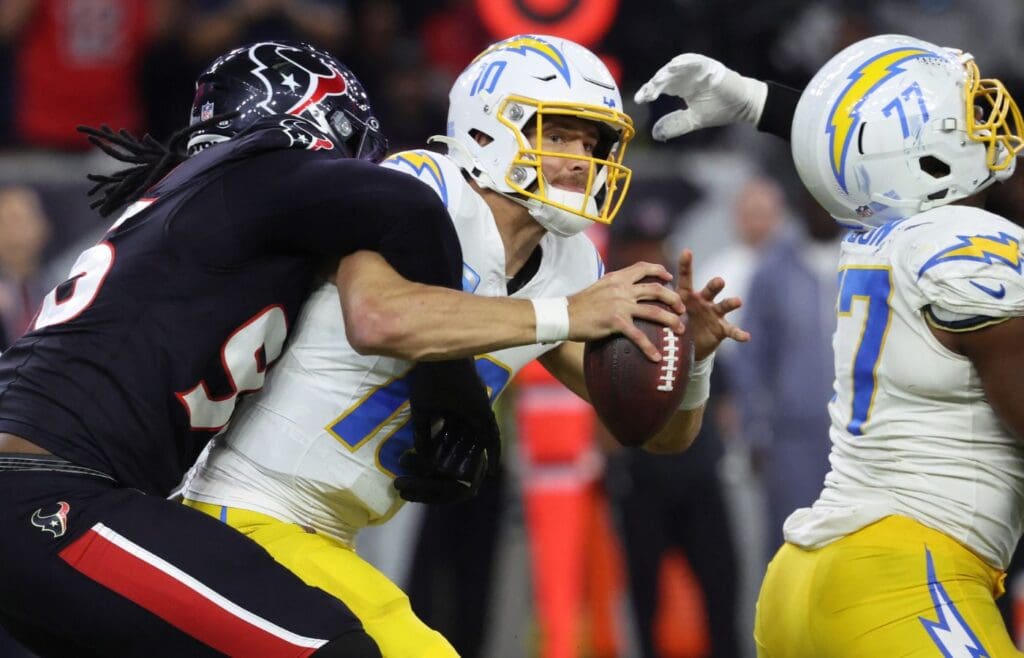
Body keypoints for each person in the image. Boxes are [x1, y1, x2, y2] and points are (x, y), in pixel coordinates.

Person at [0, 38, 646, 657]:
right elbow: (401, 229)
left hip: (90, 494)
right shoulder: (301, 178)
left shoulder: (201, 200)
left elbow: (648, 419)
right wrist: (453, 384)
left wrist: (683, 359)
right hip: (61, 495)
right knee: (337, 650)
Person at [180, 34, 751, 657]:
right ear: (485, 129)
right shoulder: (423, 187)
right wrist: (565, 314)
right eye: (558, 136)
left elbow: (654, 432)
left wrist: (691, 361)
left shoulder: (566, 261)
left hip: (325, 533)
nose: (580, 160)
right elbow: (378, 319)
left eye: (592, 143)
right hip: (245, 507)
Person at [636, 34, 1024, 656]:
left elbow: (860, 142)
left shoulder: (880, 234)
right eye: (965, 111)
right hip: (907, 585)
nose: (984, 119)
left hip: (806, 581)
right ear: (928, 153)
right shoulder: (974, 246)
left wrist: (760, 103)